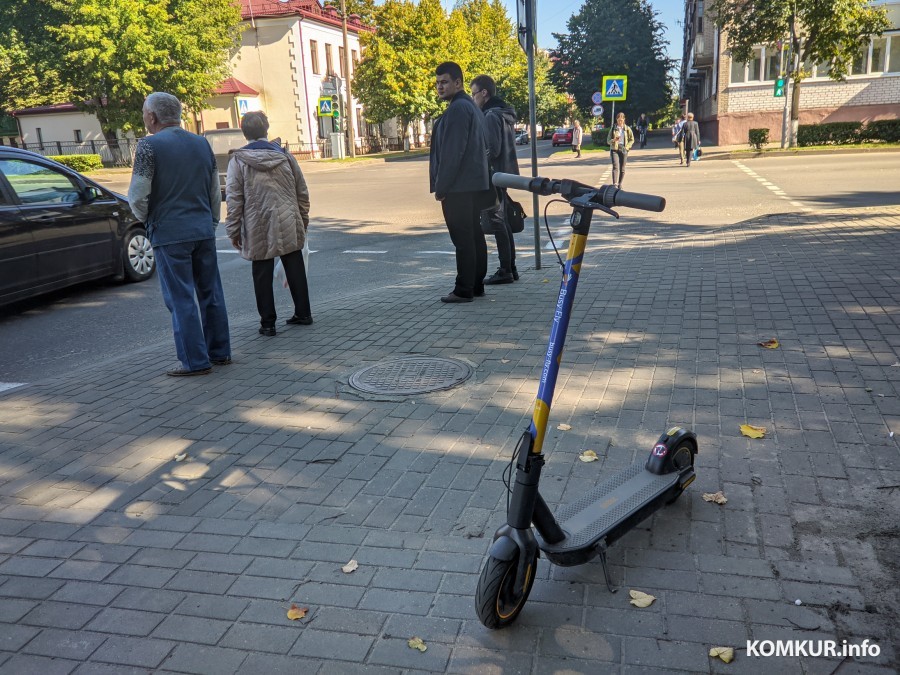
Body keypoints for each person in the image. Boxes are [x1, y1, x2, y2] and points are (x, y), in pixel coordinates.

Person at [128, 92, 231, 377]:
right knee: (211, 293)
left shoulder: (148, 147)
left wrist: (147, 220)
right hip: (202, 230)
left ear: (152, 117)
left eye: (144, 114)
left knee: (181, 298)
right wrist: (211, 222)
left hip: (169, 233)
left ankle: (194, 361)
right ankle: (220, 352)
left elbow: (138, 196)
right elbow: (214, 189)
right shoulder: (202, 143)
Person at [224, 111, 312, 337]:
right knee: (294, 266)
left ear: (244, 133)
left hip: (256, 225)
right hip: (289, 219)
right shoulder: (285, 156)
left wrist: (233, 231)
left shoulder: (238, 161)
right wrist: (303, 219)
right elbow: (301, 191)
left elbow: (234, 200)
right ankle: (303, 313)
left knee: (261, 272)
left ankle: (268, 323)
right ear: (266, 130)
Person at [429, 61, 492, 303]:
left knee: (463, 238)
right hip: (473, 184)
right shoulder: (470, 106)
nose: (440, 87)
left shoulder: (457, 109)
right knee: (474, 235)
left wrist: (442, 187)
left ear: (458, 82)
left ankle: (463, 288)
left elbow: (452, 153)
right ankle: (476, 285)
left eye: (444, 82)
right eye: (437, 83)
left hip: (459, 187)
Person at [470, 74, 519, 285]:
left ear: (484, 93)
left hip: (494, 175)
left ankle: (505, 269)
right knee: (503, 220)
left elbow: (492, 149)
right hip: (505, 173)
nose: (473, 99)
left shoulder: (490, 115)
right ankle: (511, 267)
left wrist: (477, 163)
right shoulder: (503, 113)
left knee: (497, 221)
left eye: (474, 94)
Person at [606, 112, 634, 189]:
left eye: (621, 120)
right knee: (615, 166)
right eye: (618, 120)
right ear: (616, 120)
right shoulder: (613, 128)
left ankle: (619, 183)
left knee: (622, 168)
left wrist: (627, 147)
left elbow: (632, 140)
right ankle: (615, 184)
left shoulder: (627, 129)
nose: (620, 122)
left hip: (624, 149)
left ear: (624, 120)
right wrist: (614, 140)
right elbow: (608, 141)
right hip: (614, 149)